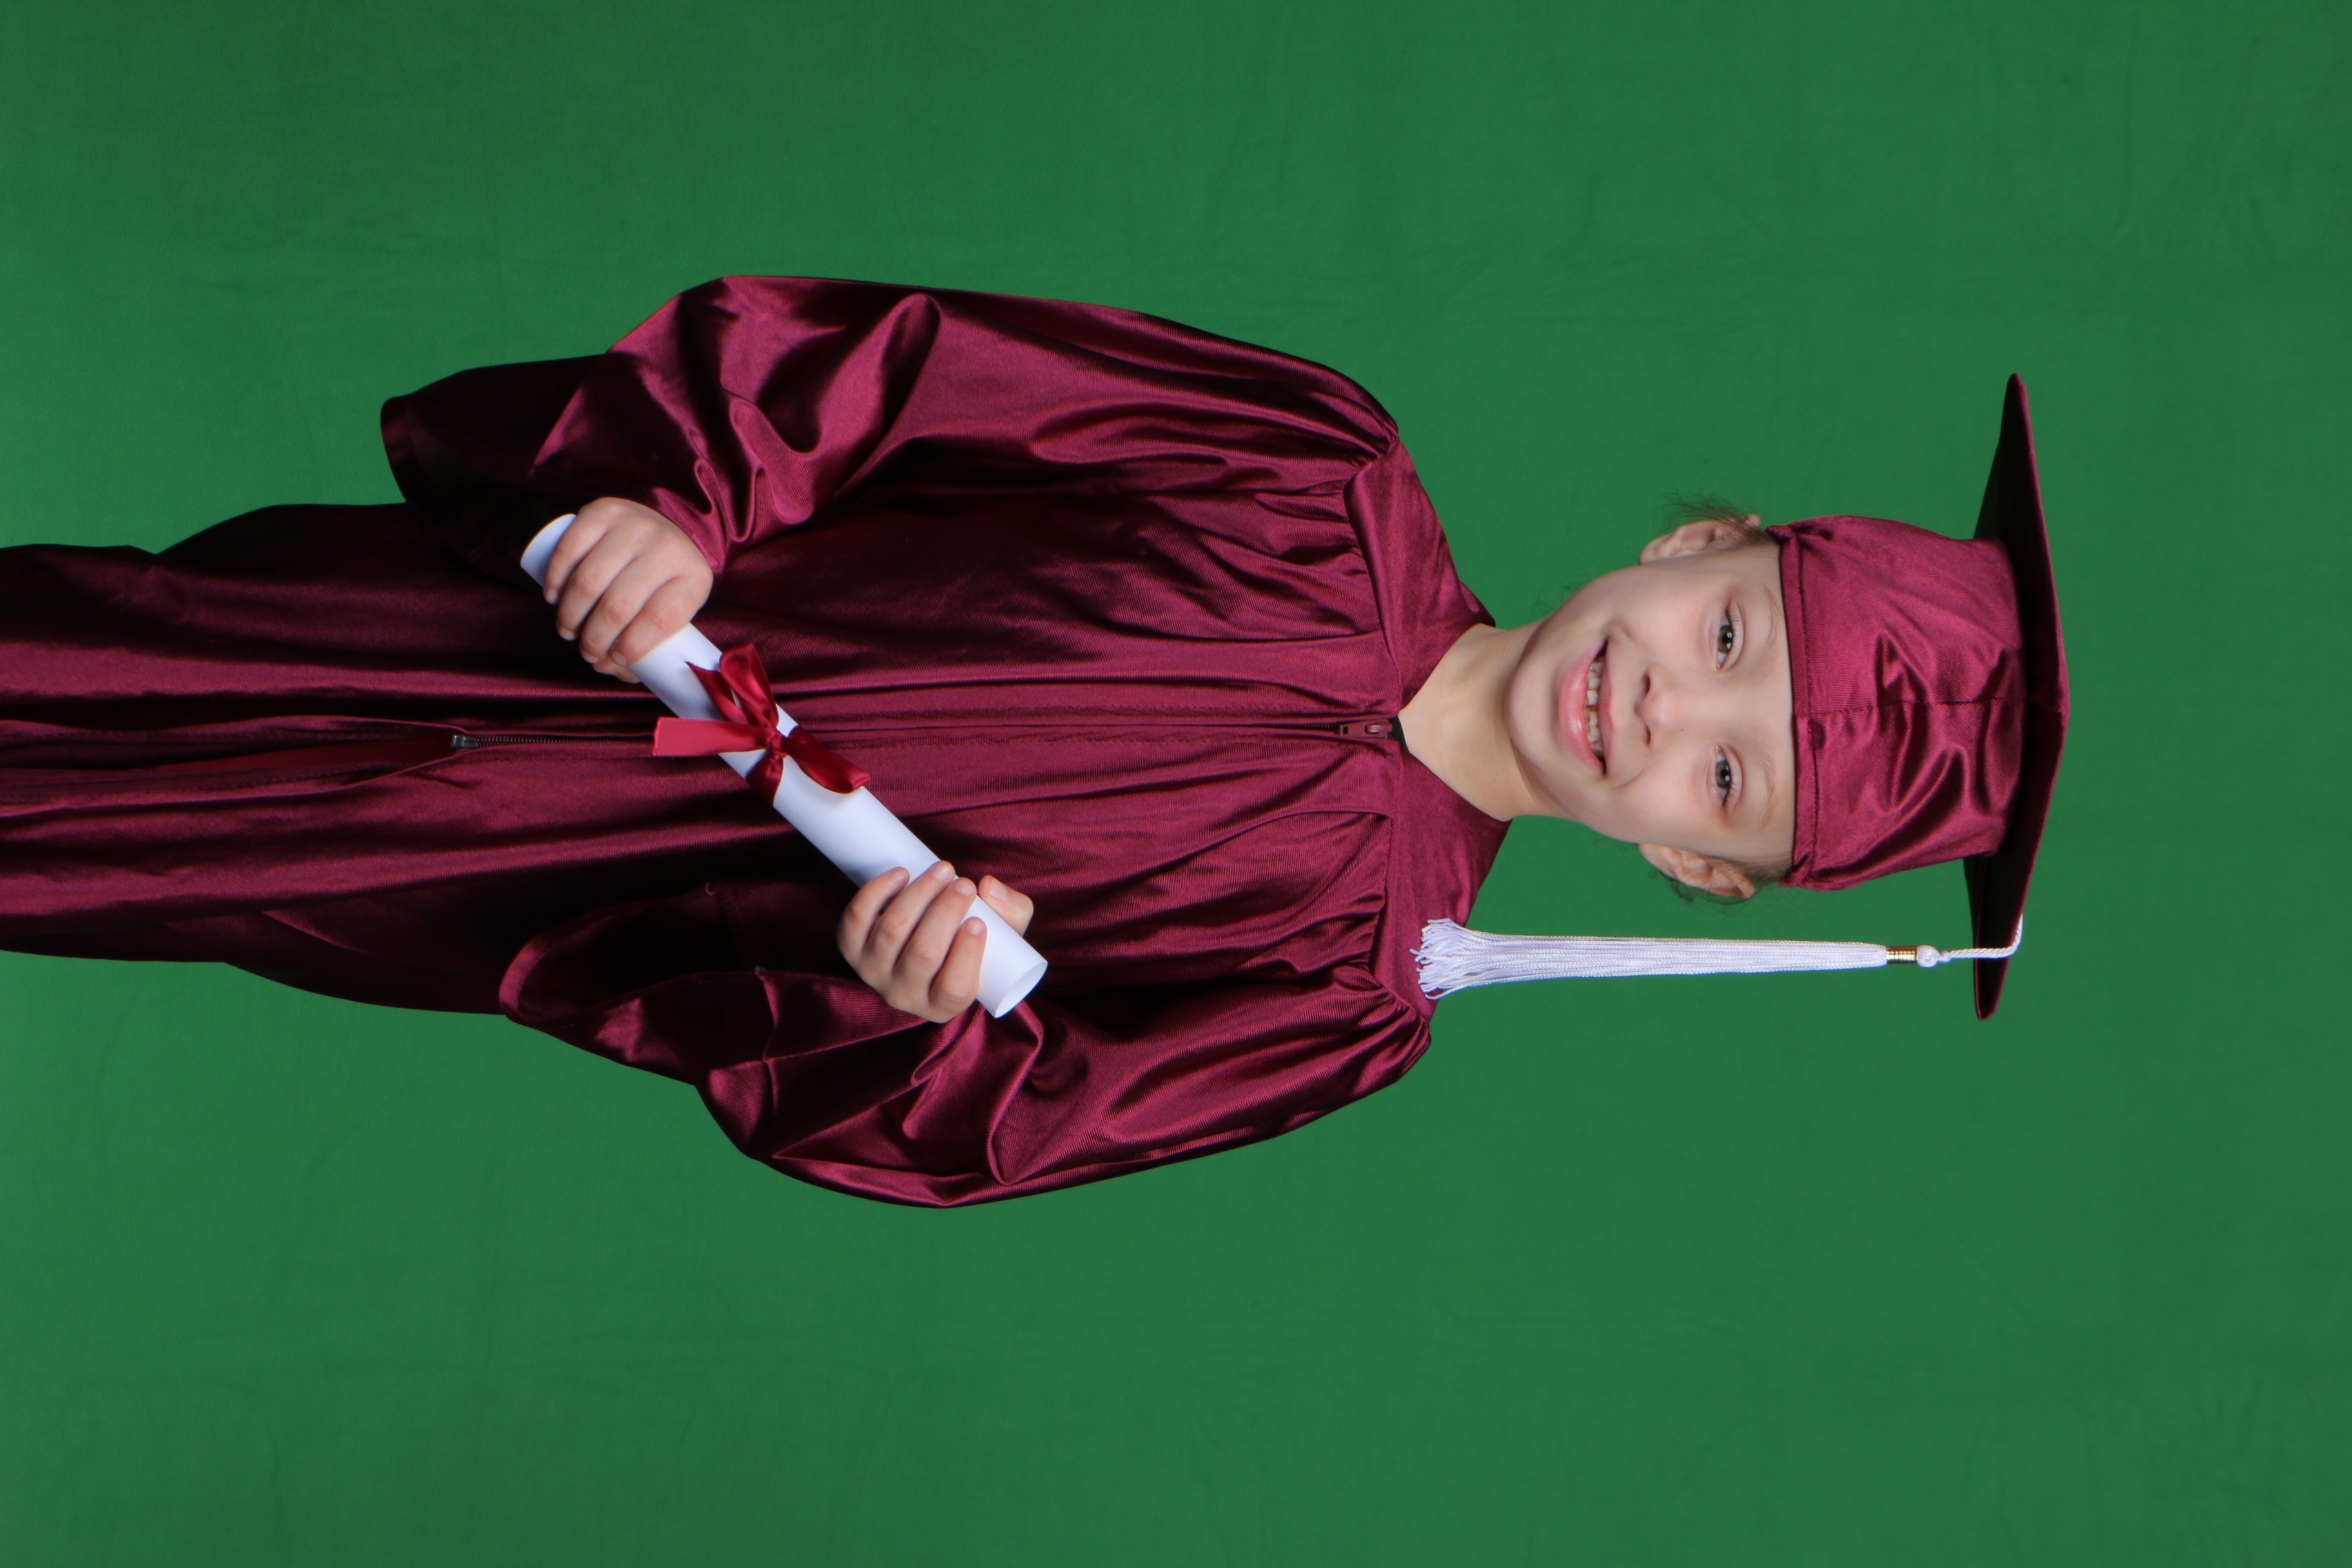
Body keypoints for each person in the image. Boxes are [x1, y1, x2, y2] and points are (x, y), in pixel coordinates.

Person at [0, 278, 2064, 1206]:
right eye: (1727, 634)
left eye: (1726, 778)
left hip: (540, 871)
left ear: (1697, 870)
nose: (1667, 704)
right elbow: (902, 377)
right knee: (111, 639)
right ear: (1696, 544)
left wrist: (909, 1010)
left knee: (128, 864)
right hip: (537, 619)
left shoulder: (1349, 995)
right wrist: (683, 502)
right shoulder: (1316, 466)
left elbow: (999, 1118)